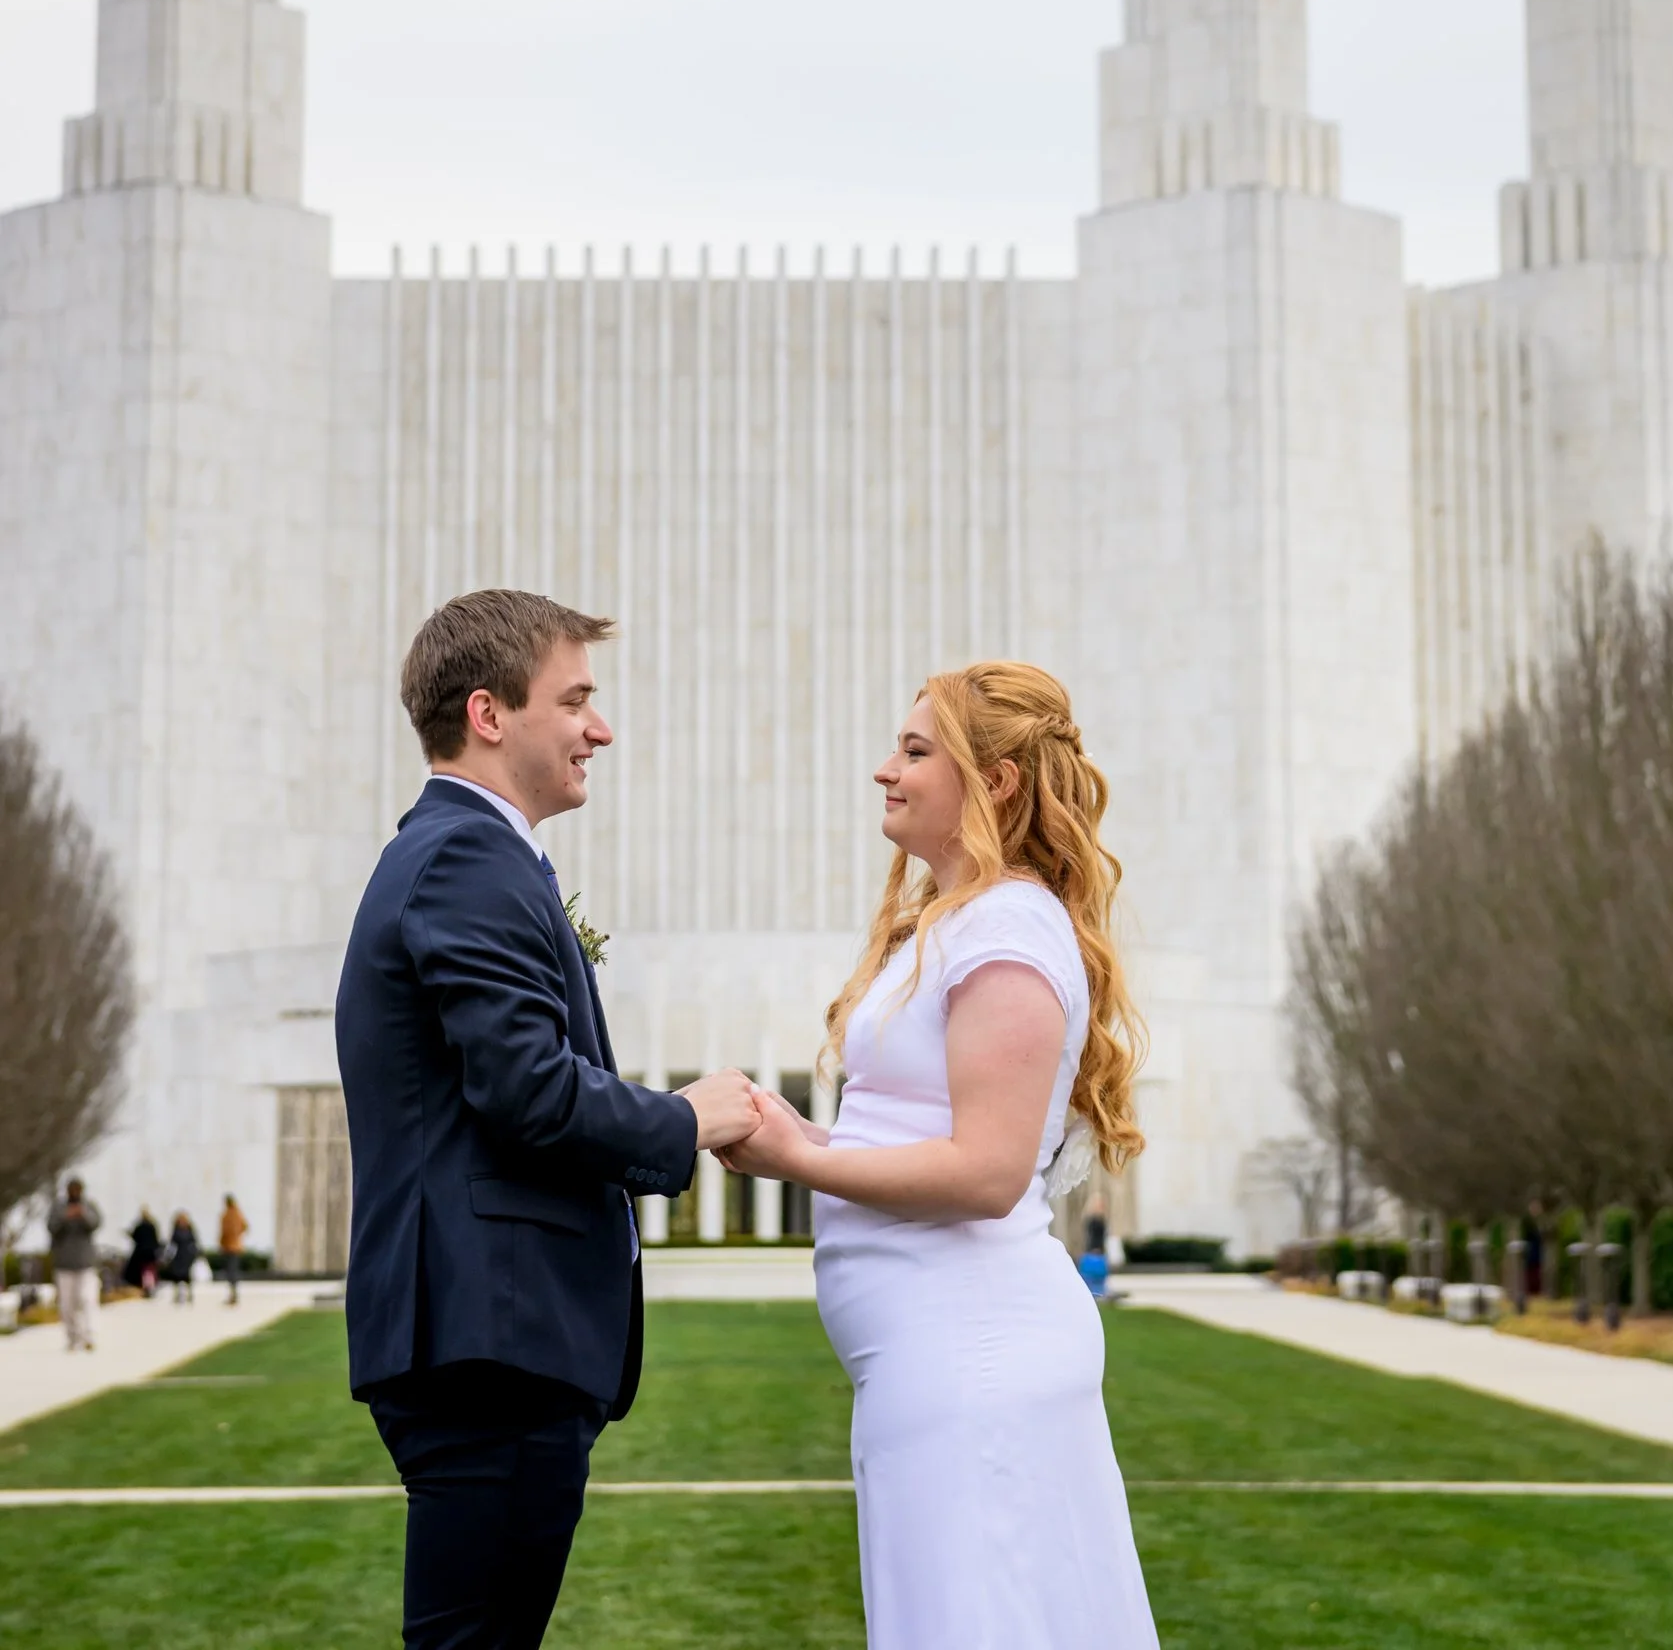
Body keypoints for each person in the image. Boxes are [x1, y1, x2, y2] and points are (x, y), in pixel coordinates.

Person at [336, 588, 761, 1650]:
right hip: (495, 1345)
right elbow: (528, 1089)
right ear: (489, 713)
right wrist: (687, 1119)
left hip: (492, 1339)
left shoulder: (465, 857)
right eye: (576, 700)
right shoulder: (467, 861)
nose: (599, 729)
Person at [722, 660, 1159, 1648]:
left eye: (915, 751)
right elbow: (912, 1147)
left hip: (978, 1362)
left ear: (994, 781)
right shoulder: (960, 923)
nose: (886, 769)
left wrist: (801, 1157)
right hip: (932, 1363)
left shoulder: (1006, 926)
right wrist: (786, 1135)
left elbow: (987, 1172)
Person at [48, 1178, 102, 1352]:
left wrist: (82, 1214)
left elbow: (96, 1223)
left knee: (88, 1300)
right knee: (67, 1305)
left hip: (85, 1263)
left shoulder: (89, 1205)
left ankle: (89, 1336)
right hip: (64, 1264)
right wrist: (66, 1217)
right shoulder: (58, 1208)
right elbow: (51, 1227)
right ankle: (72, 1338)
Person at [217, 1194, 248, 1303]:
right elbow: (245, 1226)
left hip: (229, 1247)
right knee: (233, 1270)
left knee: (231, 1271)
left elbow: (224, 1232)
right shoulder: (238, 1214)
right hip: (236, 1246)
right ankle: (233, 1293)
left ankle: (233, 1294)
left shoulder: (227, 1216)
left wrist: (222, 1243)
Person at [124, 1207, 161, 1294]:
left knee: (144, 1271)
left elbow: (135, 1237)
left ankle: (146, 1287)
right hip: (151, 1253)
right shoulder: (152, 1226)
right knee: (150, 1270)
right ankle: (151, 1286)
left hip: (141, 1253)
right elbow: (156, 1239)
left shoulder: (140, 1226)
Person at [164, 1211, 199, 1303]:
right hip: (178, 1255)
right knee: (177, 1276)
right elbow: (172, 1244)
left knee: (187, 1276)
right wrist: (168, 1255)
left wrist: (194, 1253)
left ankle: (189, 1295)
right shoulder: (176, 1231)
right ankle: (177, 1294)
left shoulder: (190, 1230)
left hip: (187, 1255)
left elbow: (194, 1242)